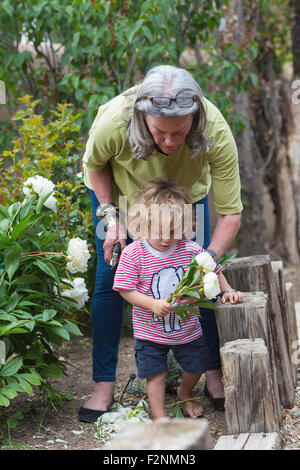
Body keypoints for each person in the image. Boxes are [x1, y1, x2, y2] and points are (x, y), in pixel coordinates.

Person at [78, 65, 243, 423]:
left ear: (195, 119)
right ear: (142, 118)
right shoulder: (114, 119)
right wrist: (110, 219)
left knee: (200, 286)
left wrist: (205, 262)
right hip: (122, 199)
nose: (169, 142)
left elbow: (230, 213)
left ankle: (211, 373)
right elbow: (94, 166)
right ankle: (103, 385)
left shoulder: (214, 128)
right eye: (160, 132)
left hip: (185, 200)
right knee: (109, 284)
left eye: (180, 132)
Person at [112, 179, 243, 422]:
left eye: (173, 232)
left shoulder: (190, 250)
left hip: (188, 329)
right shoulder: (134, 253)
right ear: (143, 224)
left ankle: (185, 393)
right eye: (158, 232)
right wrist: (151, 304)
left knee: (195, 367)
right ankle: (160, 418)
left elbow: (212, 268)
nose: (165, 239)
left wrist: (227, 291)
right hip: (149, 331)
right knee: (156, 374)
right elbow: (124, 289)